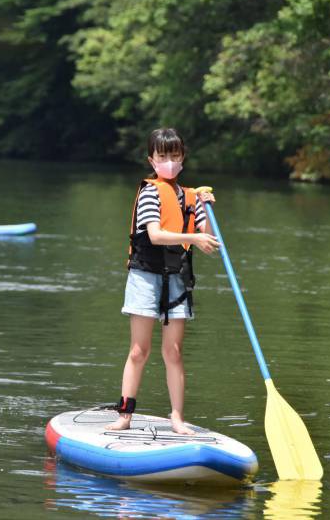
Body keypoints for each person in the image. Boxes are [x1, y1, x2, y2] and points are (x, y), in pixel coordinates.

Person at [107, 127, 220, 435]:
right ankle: (125, 414)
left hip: (177, 279)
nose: (168, 161)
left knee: (173, 352)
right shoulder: (149, 192)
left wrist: (206, 208)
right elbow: (155, 235)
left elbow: (207, 240)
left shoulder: (192, 197)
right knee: (139, 350)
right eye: (162, 156)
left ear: (182, 158)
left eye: (174, 156)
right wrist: (194, 237)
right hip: (145, 277)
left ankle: (177, 418)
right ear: (152, 160)